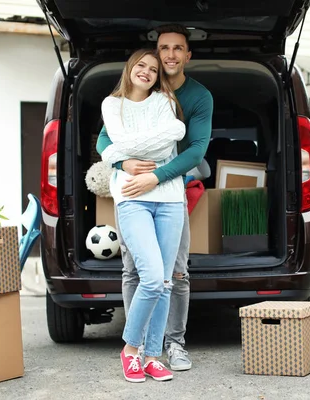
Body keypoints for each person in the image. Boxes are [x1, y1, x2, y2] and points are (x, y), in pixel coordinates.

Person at [96, 24, 213, 371]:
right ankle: (141, 346)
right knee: (136, 271)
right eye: (165, 49)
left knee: (175, 273)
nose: (171, 55)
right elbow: (105, 141)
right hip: (134, 193)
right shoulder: (127, 100)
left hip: (168, 192)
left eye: (179, 48)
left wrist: (153, 177)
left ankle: (172, 343)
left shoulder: (196, 97)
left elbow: (194, 151)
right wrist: (122, 161)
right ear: (156, 54)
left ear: (187, 56)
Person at [100, 48, 187, 383]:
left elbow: (172, 142)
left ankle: (153, 356)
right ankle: (131, 350)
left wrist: (123, 151)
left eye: (153, 69)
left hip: (169, 198)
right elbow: (117, 141)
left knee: (164, 283)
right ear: (130, 68)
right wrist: (122, 153)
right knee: (150, 277)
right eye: (141, 65)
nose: (147, 71)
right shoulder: (112, 104)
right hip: (132, 196)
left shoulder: (164, 102)